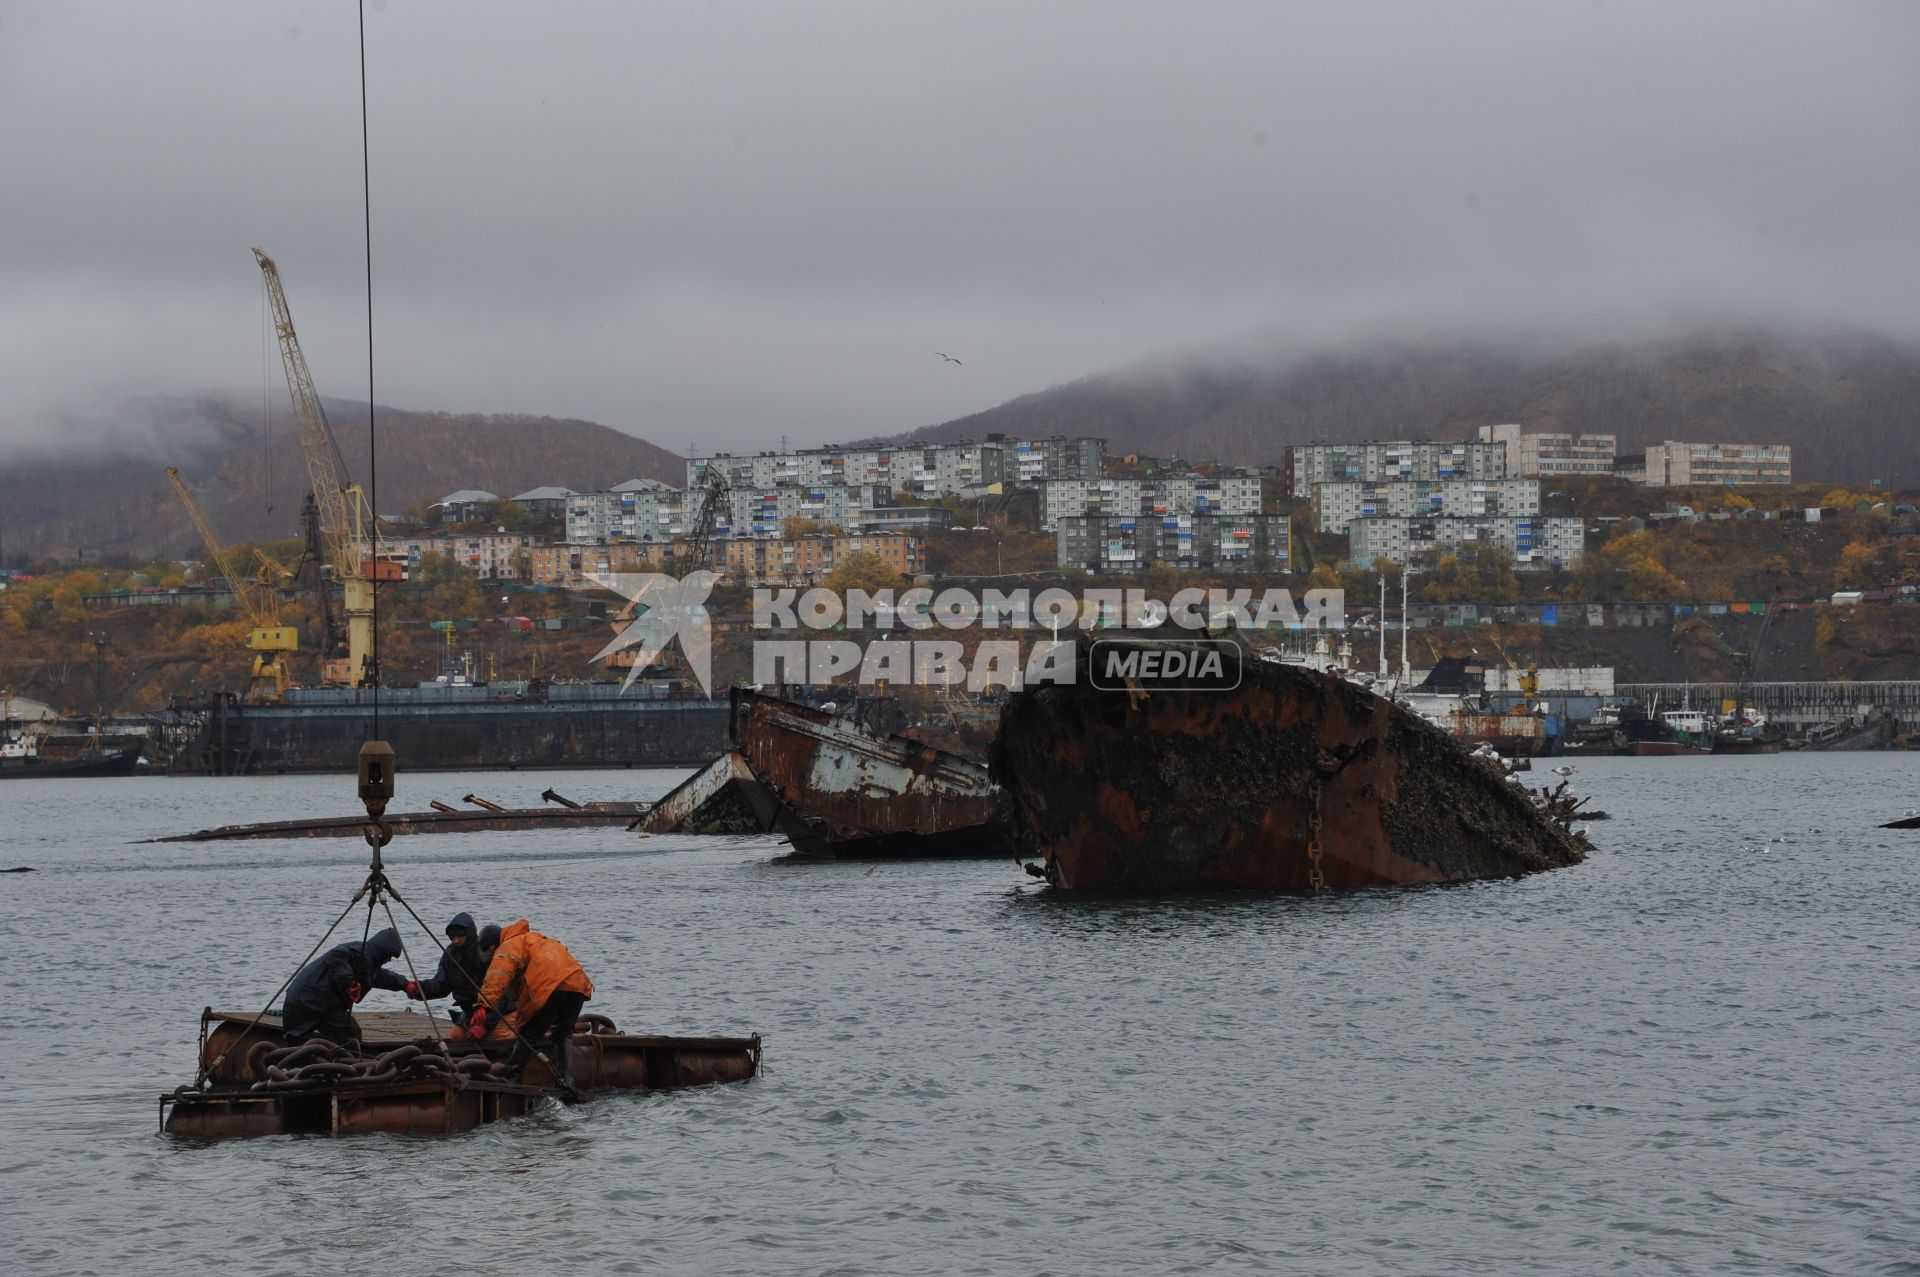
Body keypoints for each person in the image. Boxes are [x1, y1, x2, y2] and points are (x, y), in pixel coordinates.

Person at [473, 918, 594, 1089]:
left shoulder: (509, 944)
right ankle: (567, 1084)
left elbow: (497, 975)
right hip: (577, 984)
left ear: (492, 945)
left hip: (551, 986)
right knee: (563, 1033)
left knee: (528, 1033)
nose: (490, 955)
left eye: (488, 950)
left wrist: (483, 1005)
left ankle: (512, 1081)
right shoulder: (537, 939)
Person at [282, 926, 409, 1047]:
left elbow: (380, 977)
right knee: (350, 1032)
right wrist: (349, 983)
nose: (389, 960)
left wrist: (405, 984)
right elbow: (336, 955)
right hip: (312, 1003)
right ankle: (348, 1065)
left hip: (298, 1000)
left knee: (295, 1042)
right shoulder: (358, 952)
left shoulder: (367, 960)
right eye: (389, 956)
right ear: (382, 951)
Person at [404, 912, 510, 1030]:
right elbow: (442, 985)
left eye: (460, 936)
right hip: (469, 1011)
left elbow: (502, 994)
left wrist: (486, 1024)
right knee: (457, 1037)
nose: (456, 941)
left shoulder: (485, 954)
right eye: (453, 938)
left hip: (492, 1011)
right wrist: (419, 989)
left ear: (469, 934)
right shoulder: (451, 954)